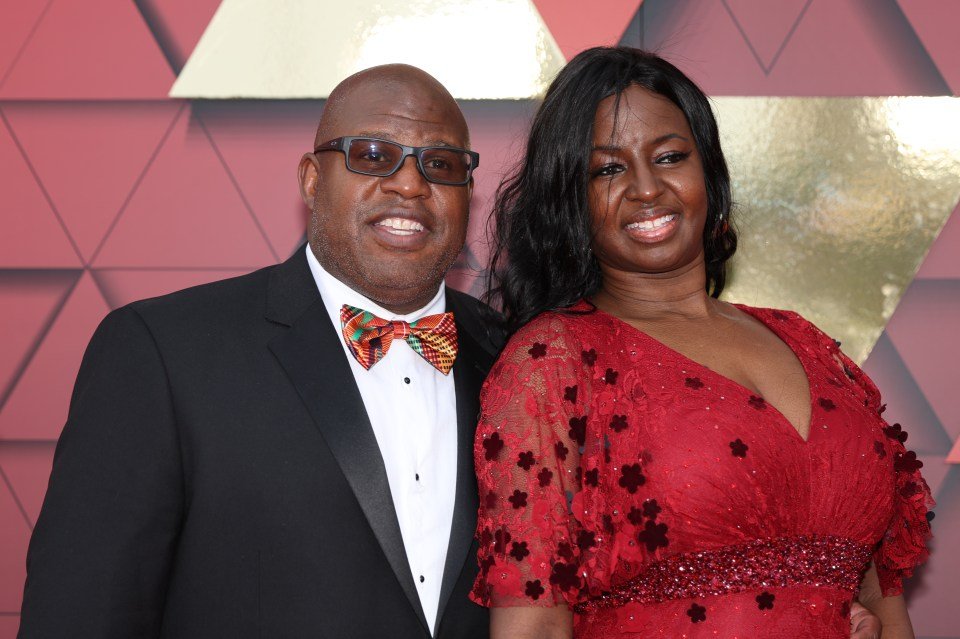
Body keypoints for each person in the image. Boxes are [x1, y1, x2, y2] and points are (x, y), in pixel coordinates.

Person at [18, 64, 496, 638]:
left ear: (468, 193)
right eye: (373, 155)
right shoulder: (162, 352)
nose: (410, 185)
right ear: (312, 180)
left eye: (440, 164)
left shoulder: (517, 356)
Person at [471, 47, 931, 638]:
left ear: (708, 171)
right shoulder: (551, 362)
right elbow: (533, 626)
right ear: (569, 199)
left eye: (669, 157)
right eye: (607, 170)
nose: (646, 188)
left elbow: (882, 599)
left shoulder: (806, 340)